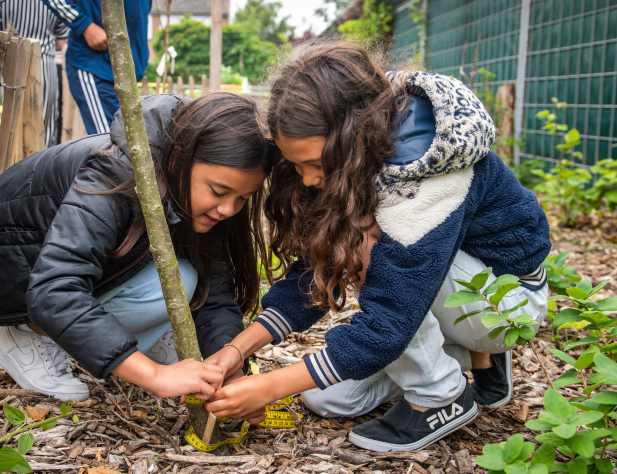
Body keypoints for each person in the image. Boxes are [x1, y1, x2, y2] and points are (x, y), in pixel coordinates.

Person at [204, 42, 552, 451]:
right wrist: (236, 348)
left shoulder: (425, 176)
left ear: (353, 136)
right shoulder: (354, 159)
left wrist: (268, 387)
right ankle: (463, 354)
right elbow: (313, 273)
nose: (310, 180)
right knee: (327, 397)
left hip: (506, 300)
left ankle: (442, 395)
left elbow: (391, 315)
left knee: (367, 246)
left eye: (315, 165)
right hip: (445, 291)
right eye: (296, 166)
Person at [0, 92, 274, 401]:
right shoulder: (116, 173)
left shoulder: (197, 194)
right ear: (181, 155)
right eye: (219, 191)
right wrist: (154, 376)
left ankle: (144, 338)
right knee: (180, 280)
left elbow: (215, 291)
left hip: (87, 271)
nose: (228, 210)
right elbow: (54, 288)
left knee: (191, 278)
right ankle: (26, 334)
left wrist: (229, 367)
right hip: (15, 276)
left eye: (242, 198)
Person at [42, 0, 150, 135]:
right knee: (113, 146)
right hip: (95, 65)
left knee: (130, 145)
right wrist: (83, 25)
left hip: (130, 73)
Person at [0, 0, 69, 147]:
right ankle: (42, 167)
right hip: (44, 62)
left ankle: (15, 167)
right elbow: (62, 41)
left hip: (12, 61)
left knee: (12, 124)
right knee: (44, 123)